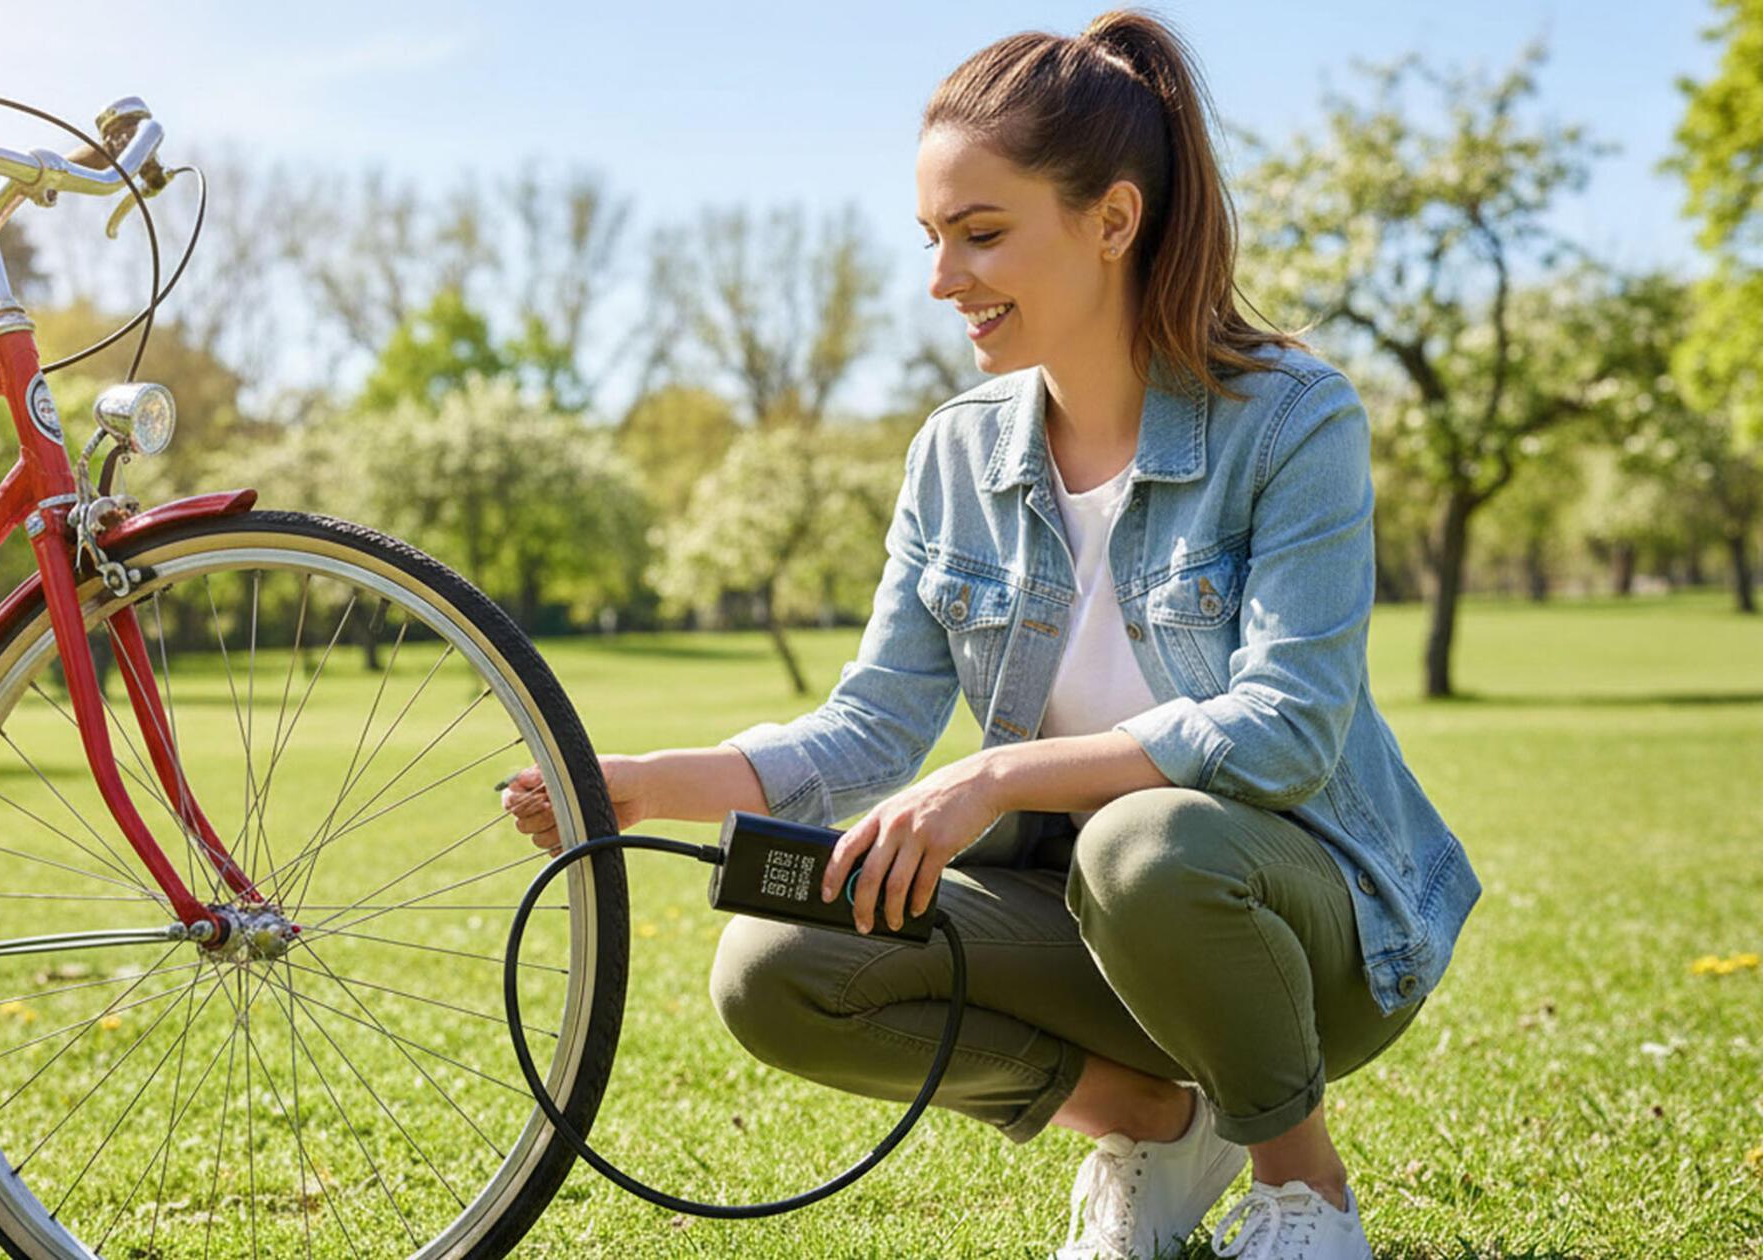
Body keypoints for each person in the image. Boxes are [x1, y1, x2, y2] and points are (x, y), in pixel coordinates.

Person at [500, 10, 1479, 1258]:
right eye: (931, 238)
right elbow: (869, 727)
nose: (941, 279)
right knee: (776, 962)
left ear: (1110, 221)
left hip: (1306, 935)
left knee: (1139, 845)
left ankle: (1302, 1192)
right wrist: (643, 785)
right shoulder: (953, 455)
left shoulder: (1289, 419)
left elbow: (1284, 728)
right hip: (1088, 919)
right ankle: (1150, 1127)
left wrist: (997, 776)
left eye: (979, 233)